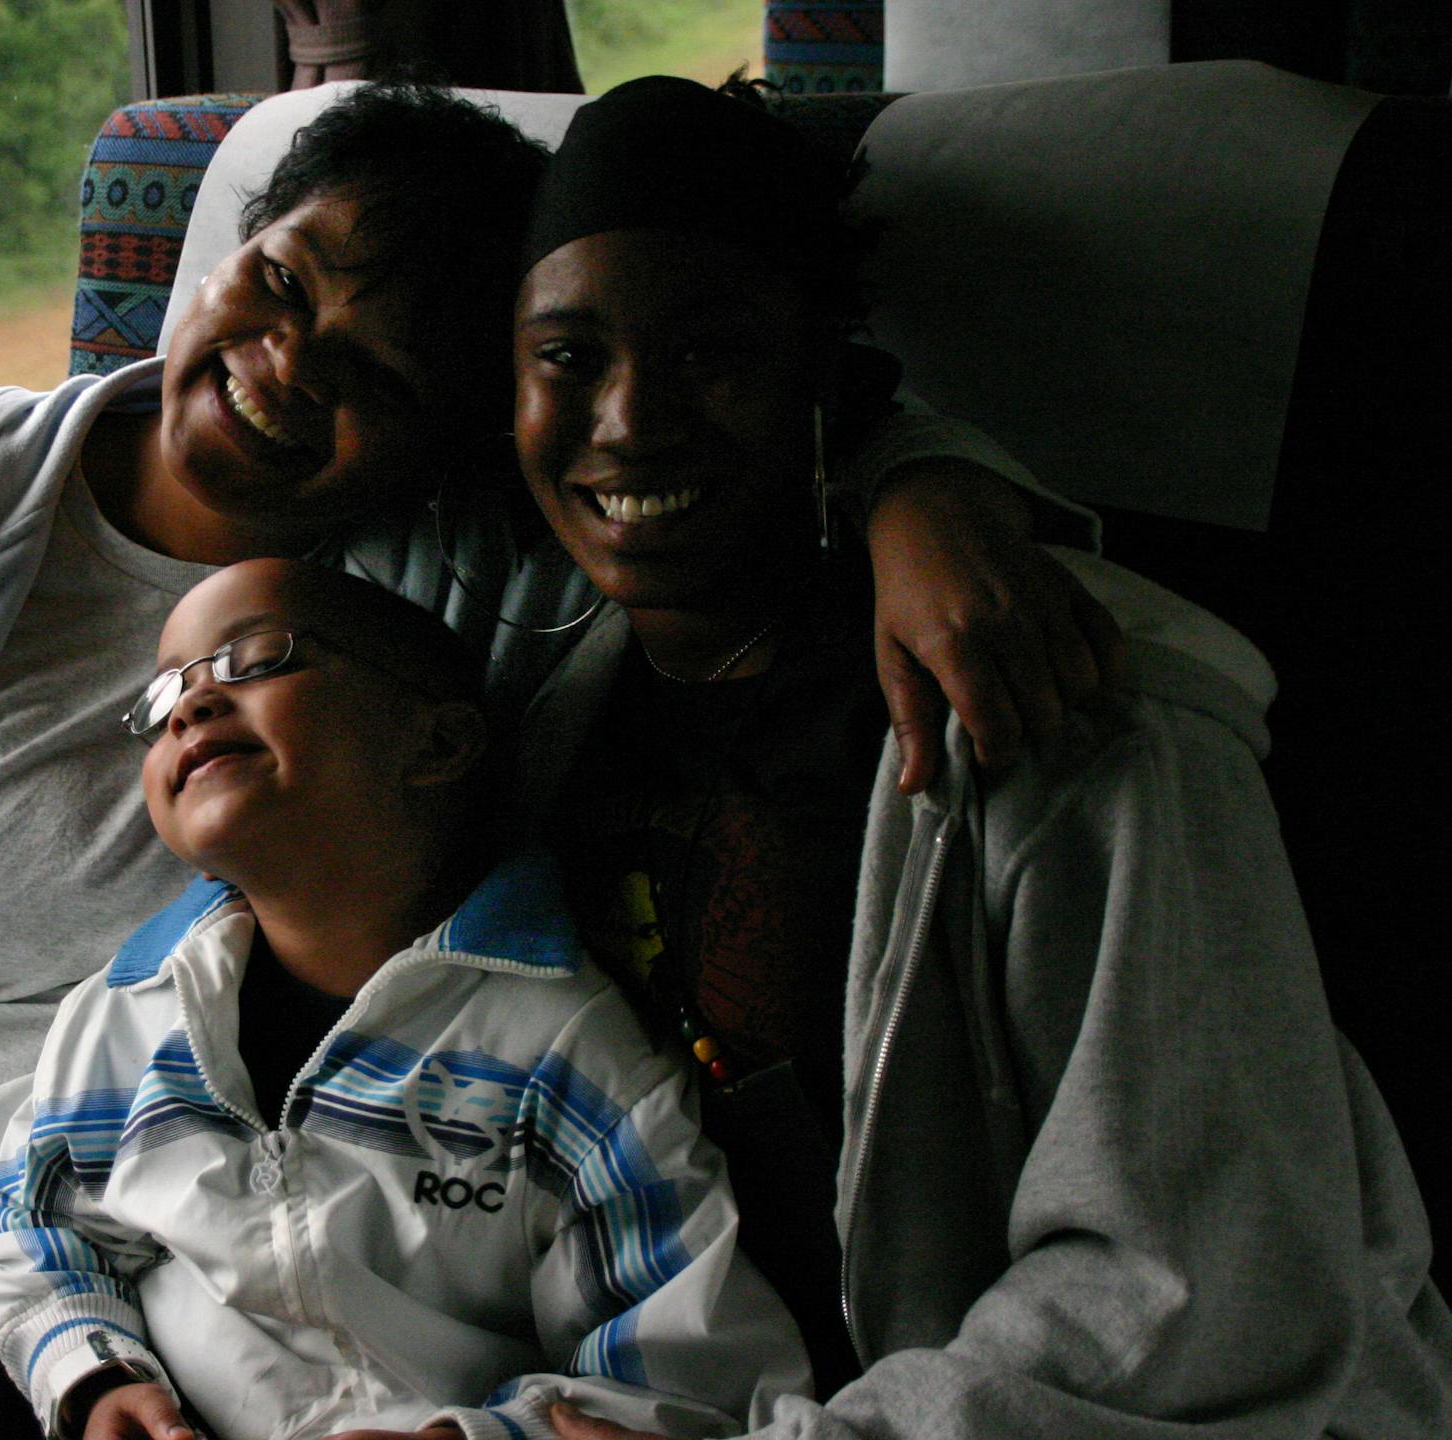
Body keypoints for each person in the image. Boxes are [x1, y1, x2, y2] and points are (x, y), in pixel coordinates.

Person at [0, 83, 1116, 1440]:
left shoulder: (445, 607)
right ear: (221, 254)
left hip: (57, 1267)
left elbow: (675, 449)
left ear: (448, 440)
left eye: (370, 370)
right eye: (277, 284)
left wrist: (918, 484)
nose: (284, 367)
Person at [500, 75, 1452, 1438]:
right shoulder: (529, 692)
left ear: (825, 373)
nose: (629, 417)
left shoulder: (1066, 707)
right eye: (568, 357)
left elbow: (1197, 1287)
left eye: (712, 351)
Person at [0, 558, 809, 1440]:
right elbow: (25, 1217)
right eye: (167, 691)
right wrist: (92, 1373)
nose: (192, 704)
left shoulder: (565, 1057)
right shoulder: (129, 1018)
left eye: (256, 659)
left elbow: (690, 1376)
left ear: (437, 744)